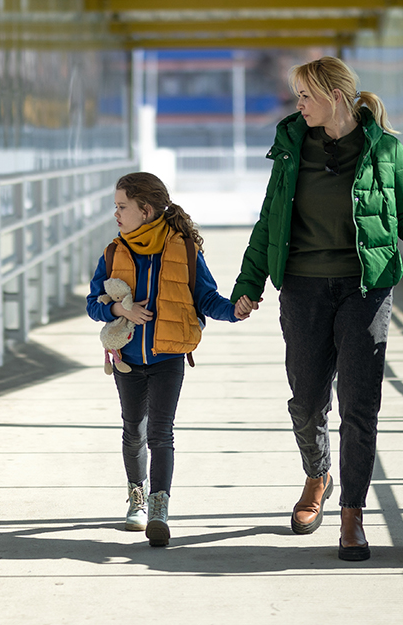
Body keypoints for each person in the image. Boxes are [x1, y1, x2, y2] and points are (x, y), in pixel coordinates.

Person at [231, 56, 403, 561]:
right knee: (307, 401)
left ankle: (352, 515)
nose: (299, 104)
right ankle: (318, 474)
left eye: (306, 95)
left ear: (335, 95)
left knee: (361, 406)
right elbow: (270, 221)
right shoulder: (292, 147)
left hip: (366, 290)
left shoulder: (386, 149)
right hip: (303, 290)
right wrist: (248, 283)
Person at [87, 172, 254, 547]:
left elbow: (206, 298)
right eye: (116, 206)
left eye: (122, 206)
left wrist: (234, 311)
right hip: (127, 359)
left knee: (161, 432)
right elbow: (92, 304)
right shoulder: (114, 252)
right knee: (134, 430)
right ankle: (137, 497)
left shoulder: (184, 249)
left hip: (168, 358)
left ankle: (159, 508)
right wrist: (119, 309)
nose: (116, 213)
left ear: (145, 210)